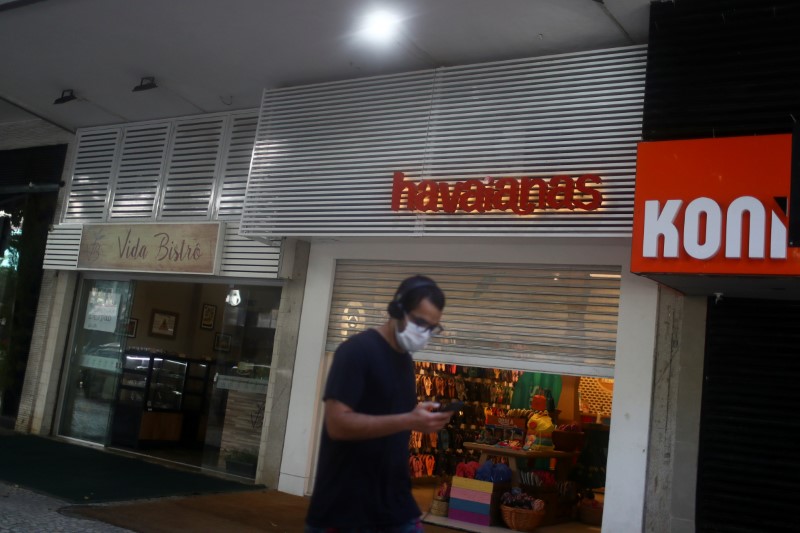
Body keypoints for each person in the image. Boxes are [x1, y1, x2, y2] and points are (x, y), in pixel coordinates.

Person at [305, 275, 455, 532]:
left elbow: (393, 422)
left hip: (393, 506)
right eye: (420, 322)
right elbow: (337, 424)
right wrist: (409, 419)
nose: (424, 333)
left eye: (432, 327)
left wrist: (422, 420)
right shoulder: (355, 352)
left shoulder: (405, 361)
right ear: (397, 310)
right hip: (346, 510)